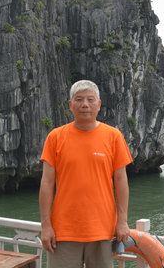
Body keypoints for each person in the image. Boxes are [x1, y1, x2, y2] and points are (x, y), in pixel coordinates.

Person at [39, 80, 133, 268]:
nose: (85, 105)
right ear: (70, 105)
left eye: (91, 100)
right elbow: (47, 184)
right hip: (63, 231)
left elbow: (121, 181)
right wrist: (46, 226)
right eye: (79, 99)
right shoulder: (55, 137)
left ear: (99, 104)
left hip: (103, 230)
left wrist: (122, 222)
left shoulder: (113, 136)